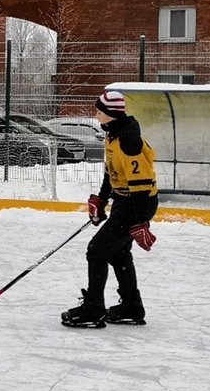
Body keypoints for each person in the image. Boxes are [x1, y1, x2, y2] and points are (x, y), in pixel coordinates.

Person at [62, 91, 158, 328]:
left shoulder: (128, 141)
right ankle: (131, 306)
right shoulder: (113, 135)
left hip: (138, 202)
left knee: (97, 250)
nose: (95, 115)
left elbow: (141, 185)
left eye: (99, 111)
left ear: (111, 115)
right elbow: (110, 172)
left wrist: (138, 221)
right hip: (125, 201)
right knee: (117, 252)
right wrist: (102, 199)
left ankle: (94, 308)